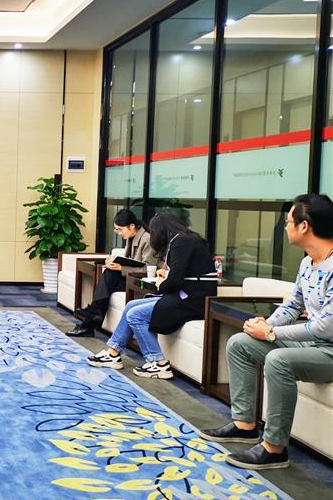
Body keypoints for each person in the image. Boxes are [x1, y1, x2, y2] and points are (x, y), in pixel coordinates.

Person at [199, 194, 333, 471]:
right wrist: (265, 324)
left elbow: (326, 326)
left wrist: (271, 333)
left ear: (304, 226)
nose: (285, 227)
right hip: (311, 345)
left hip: (329, 350)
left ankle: (274, 448)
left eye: (288, 221)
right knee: (240, 343)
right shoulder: (307, 263)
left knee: (278, 360)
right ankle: (244, 424)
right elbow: (294, 305)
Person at [87, 213, 217, 379]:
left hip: (191, 300)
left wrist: (161, 283)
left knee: (136, 315)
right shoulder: (184, 240)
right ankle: (113, 353)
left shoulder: (181, 242)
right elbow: (182, 275)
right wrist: (165, 277)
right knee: (131, 306)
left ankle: (158, 363)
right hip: (187, 295)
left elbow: (175, 281)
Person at [68, 209, 158, 337]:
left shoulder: (147, 239)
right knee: (109, 273)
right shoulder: (131, 236)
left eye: (120, 229)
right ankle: (91, 318)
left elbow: (148, 269)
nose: (118, 233)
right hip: (130, 278)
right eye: (116, 230)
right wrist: (112, 262)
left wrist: (120, 268)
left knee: (109, 276)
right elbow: (129, 261)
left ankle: (91, 316)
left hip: (141, 283)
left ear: (132, 226)